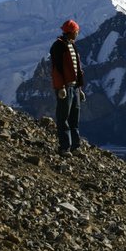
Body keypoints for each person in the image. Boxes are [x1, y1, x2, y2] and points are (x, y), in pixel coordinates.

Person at [50, 19, 86, 157]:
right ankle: (65, 147)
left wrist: (79, 89)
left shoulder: (72, 45)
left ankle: (75, 147)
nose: (77, 34)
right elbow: (56, 69)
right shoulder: (58, 46)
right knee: (63, 117)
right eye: (76, 31)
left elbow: (77, 69)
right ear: (71, 32)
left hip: (74, 88)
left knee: (74, 118)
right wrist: (60, 87)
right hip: (65, 88)